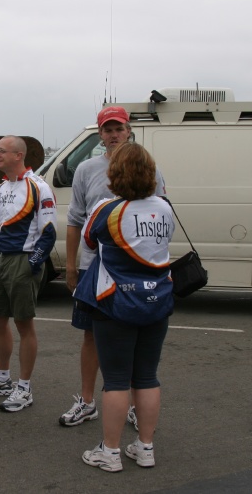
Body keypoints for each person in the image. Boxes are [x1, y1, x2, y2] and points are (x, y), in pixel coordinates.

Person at [60, 106, 167, 428]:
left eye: (119, 129)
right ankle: (87, 400)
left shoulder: (150, 169)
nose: (114, 135)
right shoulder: (86, 170)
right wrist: (71, 266)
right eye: (108, 130)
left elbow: (158, 215)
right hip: (95, 270)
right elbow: (75, 220)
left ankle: (134, 405)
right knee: (91, 337)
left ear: (128, 131)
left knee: (134, 340)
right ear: (100, 134)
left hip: (134, 272)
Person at [74, 142, 174, 472]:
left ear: (115, 174)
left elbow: (89, 241)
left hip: (115, 301)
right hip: (157, 300)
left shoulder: (106, 209)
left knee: (116, 380)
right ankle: (145, 448)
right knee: (146, 377)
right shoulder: (164, 207)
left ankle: (111, 451)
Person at [0, 135, 56, 412]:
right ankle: (2, 378)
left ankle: (24, 387)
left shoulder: (38, 186)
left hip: (22, 260)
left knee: (23, 324)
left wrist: (32, 264)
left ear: (19, 155)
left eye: (2, 151)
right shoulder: (4, 185)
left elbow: (49, 233)